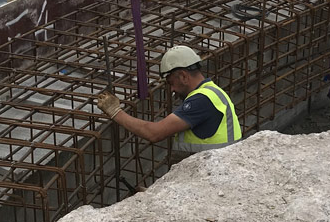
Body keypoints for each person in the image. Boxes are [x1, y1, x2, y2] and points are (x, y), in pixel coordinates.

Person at [96, 45, 241, 155]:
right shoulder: (213, 92)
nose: (172, 90)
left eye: (171, 83)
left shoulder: (201, 100)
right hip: (214, 175)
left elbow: (154, 133)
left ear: (184, 76)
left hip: (210, 179)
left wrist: (115, 111)